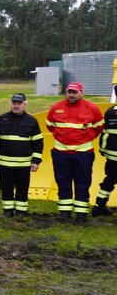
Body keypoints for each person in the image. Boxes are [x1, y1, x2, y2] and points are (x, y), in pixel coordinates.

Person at [46, 81, 103, 224]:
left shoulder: (92, 108)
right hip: (61, 152)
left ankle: (81, 214)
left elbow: (98, 128)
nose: (71, 95)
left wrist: (83, 140)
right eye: (69, 92)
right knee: (63, 181)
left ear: (81, 93)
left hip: (83, 153)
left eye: (74, 92)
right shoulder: (56, 107)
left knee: (82, 182)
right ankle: (64, 212)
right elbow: (50, 125)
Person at [0, 93, 42, 217]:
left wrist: (36, 161)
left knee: (22, 188)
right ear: (10, 104)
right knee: (6, 188)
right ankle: (7, 211)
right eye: (14, 103)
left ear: (25, 105)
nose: (16, 106)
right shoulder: (1, 119)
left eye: (19, 103)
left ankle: (21, 211)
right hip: (5, 163)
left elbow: (38, 142)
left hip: (24, 164)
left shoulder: (32, 121)